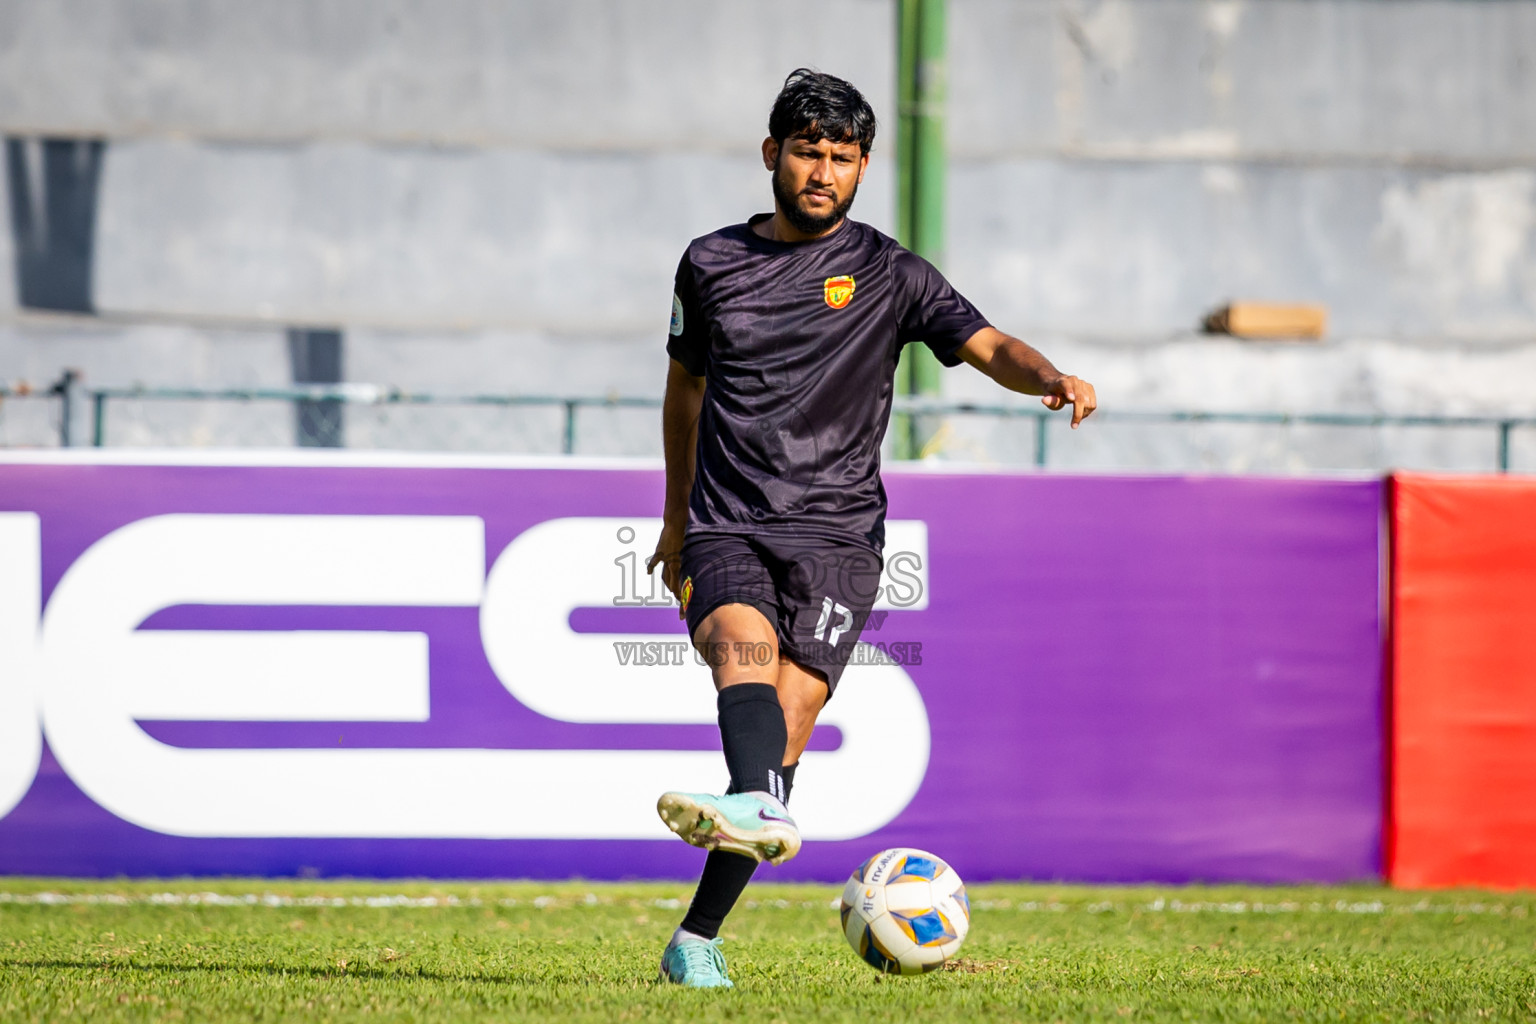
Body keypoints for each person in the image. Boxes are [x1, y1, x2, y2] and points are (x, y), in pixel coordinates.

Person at [645, 68, 1096, 988]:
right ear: (772, 154)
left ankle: (698, 931)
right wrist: (673, 516)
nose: (823, 171)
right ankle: (758, 810)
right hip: (728, 519)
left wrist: (1046, 374)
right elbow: (685, 386)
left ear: (862, 168)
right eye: (808, 152)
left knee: (791, 723)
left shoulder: (893, 274)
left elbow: (991, 344)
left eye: (843, 158)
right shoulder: (709, 262)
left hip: (842, 539)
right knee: (742, 652)